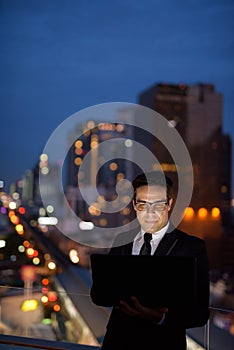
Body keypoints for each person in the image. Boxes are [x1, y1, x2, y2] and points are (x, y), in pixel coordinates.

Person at [90, 171, 210, 350]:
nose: (150, 213)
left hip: (163, 345)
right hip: (118, 342)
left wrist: (158, 317)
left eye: (158, 205)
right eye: (143, 204)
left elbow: (200, 314)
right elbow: (99, 296)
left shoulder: (191, 248)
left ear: (169, 204)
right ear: (134, 205)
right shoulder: (121, 240)